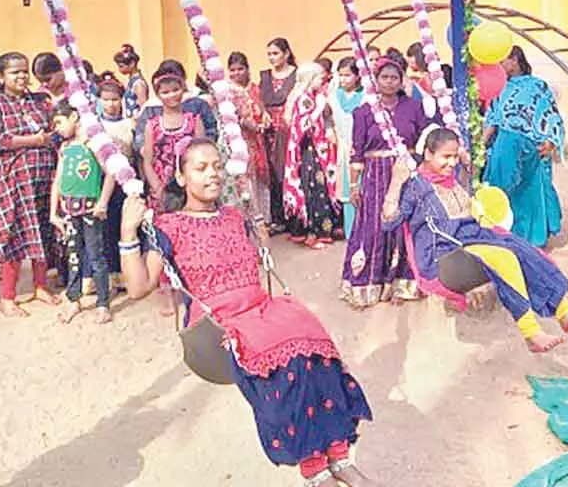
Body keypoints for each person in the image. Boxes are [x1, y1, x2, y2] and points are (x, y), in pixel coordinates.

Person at [118, 139, 377, 487]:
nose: (212, 174)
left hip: (260, 307)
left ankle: (338, 454)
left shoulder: (234, 216)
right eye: (200, 168)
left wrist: (257, 225)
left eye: (216, 166)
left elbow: (261, 261)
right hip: (218, 320)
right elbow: (138, 288)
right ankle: (315, 468)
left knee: (314, 343)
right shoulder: (168, 226)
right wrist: (127, 231)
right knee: (289, 366)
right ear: (181, 178)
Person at [386, 127, 568, 352]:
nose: (451, 162)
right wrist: (395, 184)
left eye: (455, 156)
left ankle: (564, 313)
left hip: (469, 242)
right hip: (442, 257)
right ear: (428, 154)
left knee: (520, 246)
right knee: (504, 256)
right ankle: (531, 333)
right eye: (445, 157)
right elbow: (389, 223)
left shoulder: (453, 180)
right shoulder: (415, 187)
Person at [343, 58, 431, 307]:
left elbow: (424, 139)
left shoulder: (414, 107)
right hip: (374, 177)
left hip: (405, 175)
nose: (390, 82)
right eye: (384, 77)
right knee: (373, 227)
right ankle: (369, 283)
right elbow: (357, 151)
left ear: (402, 80)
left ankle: (402, 284)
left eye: (395, 77)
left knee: (405, 227)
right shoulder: (363, 112)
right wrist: (353, 185)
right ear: (375, 80)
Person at [0, 52, 60, 316]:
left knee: (43, 231)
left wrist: (45, 139)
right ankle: (7, 297)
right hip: (13, 181)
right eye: (15, 72)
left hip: (44, 177)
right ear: (1, 76)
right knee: (13, 238)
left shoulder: (40, 101)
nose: (22, 76)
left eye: (25, 71)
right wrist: (34, 141)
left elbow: (52, 130)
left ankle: (40, 286)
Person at [482, 46, 564, 247]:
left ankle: (533, 239)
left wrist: (551, 141)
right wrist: (480, 145)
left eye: (502, 61)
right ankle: (503, 234)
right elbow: (492, 118)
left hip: (532, 148)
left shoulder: (537, 86)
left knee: (529, 191)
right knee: (501, 189)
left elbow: (551, 115)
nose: (499, 66)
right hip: (505, 148)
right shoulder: (499, 87)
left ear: (515, 59)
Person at [50, 101, 115, 324]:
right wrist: (53, 212)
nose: (57, 127)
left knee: (96, 257)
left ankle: (103, 303)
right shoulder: (65, 148)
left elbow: (111, 173)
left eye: (59, 121)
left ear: (75, 117)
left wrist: (103, 203)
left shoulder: (94, 144)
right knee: (73, 256)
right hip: (69, 212)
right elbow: (58, 180)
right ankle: (73, 299)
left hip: (91, 211)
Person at [282, 63, 343, 247]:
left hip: (317, 149)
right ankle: (312, 232)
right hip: (308, 150)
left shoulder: (315, 96)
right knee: (313, 189)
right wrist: (318, 109)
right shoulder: (304, 99)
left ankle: (323, 229)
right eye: (319, 79)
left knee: (320, 188)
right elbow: (302, 125)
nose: (322, 82)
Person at [142, 69, 206, 213]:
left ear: (183, 90)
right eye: (165, 92)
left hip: (190, 186)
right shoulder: (152, 125)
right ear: (158, 95)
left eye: (175, 90)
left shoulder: (194, 120)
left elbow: (203, 155)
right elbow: (147, 161)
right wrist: (158, 188)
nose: (172, 95)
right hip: (162, 188)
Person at [131, 59, 218, 158]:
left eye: (175, 88)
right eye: (165, 91)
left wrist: (202, 153)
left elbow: (211, 131)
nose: (171, 94)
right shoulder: (151, 108)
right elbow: (140, 139)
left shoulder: (198, 102)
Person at [260, 38, 298, 235]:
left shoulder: (296, 75)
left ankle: (294, 218)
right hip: (268, 130)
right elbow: (259, 99)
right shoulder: (265, 77)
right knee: (272, 173)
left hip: (289, 129)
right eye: (269, 54)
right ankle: (277, 218)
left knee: (289, 171)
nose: (272, 58)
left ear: (286, 53)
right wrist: (263, 113)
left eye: (275, 53)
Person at [228, 52, 272, 223]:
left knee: (259, 177)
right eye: (232, 70)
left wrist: (265, 119)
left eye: (240, 69)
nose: (236, 73)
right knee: (244, 176)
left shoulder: (254, 88)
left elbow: (261, 108)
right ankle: (247, 217)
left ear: (247, 69)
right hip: (239, 140)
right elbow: (235, 116)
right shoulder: (228, 91)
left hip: (257, 139)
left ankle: (262, 218)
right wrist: (250, 125)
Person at [97, 77, 133, 286]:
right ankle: (112, 274)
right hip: (103, 182)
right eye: (106, 99)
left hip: (126, 182)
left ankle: (128, 272)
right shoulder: (96, 127)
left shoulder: (129, 124)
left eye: (115, 99)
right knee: (107, 229)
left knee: (125, 226)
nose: (110, 104)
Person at [329, 57, 365, 238]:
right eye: (340, 75)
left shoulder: (365, 95)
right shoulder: (335, 95)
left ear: (357, 76)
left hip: (361, 148)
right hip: (343, 148)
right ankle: (351, 233)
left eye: (347, 75)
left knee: (363, 189)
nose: (343, 80)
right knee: (347, 193)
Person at [114, 43, 149, 118]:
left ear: (132, 64)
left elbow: (143, 107)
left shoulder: (138, 83)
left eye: (121, 66)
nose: (119, 70)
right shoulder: (131, 81)